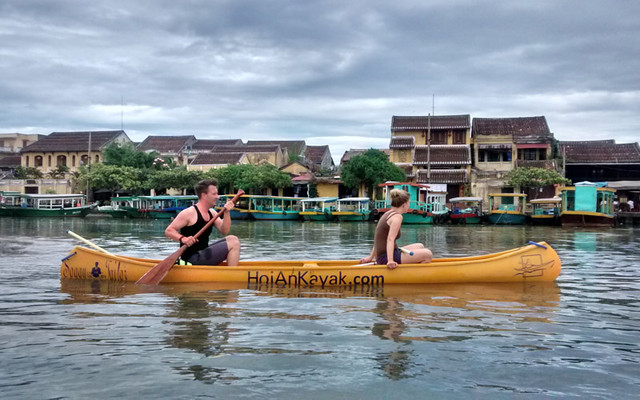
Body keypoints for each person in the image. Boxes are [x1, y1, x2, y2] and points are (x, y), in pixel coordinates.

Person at [165, 179, 241, 266]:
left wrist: (227, 213)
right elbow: (169, 231)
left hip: (204, 254)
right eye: (214, 194)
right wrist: (184, 239)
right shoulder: (189, 213)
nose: (218, 197)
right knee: (234, 244)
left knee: (232, 239)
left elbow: (225, 230)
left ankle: (231, 271)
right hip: (192, 259)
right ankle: (231, 276)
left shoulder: (212, 213)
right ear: (204, 195)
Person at [360, 189, 432, 269]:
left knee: (420, 246)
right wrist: (390, 260)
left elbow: (379, 238)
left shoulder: (388, 213)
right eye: (409, 203)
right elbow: (390, 239)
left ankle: (407, 265)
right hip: (385, 258)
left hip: (386, 254)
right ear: (404, 204)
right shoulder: (397, 217)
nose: (409, 206)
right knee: (427, 255)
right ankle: (411, 275)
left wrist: (370, 258)